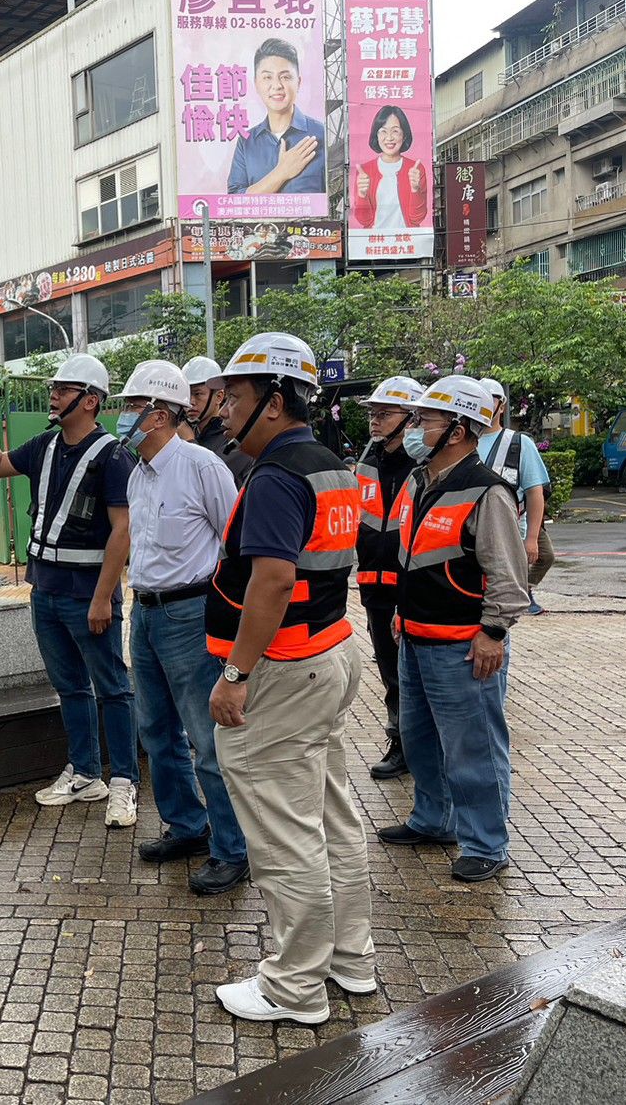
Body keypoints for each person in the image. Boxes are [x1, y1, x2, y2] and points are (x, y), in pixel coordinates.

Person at [205, 332, 374, 1025]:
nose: (220, 412)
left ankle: (293, 988)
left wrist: (235, 673)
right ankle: (349, 959)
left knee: (283, 830)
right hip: (328, 652)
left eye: (234, 398)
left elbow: (271, 582)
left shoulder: (274, 476)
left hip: (282, 668)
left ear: (273, 402)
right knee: (330, 813)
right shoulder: (329, 464)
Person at [0, 355, 139, 827]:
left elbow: (122, 532)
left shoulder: (113, 456)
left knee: (113, 689)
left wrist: (103, 598)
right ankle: (85, 774)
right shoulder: (45, 445)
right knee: (70, 687)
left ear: (90, 400)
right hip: (47, 592)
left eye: (64, 388)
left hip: (89, 596)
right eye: (54, 387)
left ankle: (124, 783)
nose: (53, 395)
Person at [378, 376, 529, 883]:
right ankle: (432, 820)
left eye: (427, 420)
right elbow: (414, 557)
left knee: (474, 748)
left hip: (464, 648)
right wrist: (402, 608)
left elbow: (509, 577)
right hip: (415, 638)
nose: (417, 428)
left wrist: (494, 632)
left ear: (460, 430)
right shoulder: (421, 481)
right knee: (419, 739)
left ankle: (486, 843)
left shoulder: (488, 493)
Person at [116, 360, 248, 896]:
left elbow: (234, 542)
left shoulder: (201, 466)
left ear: (162, 415)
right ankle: (187, 826)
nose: (124, 417)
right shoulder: (137, 475)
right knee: (155, 729)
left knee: (205, 735)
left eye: (132, 407)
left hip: (190, 615)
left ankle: (232, 848)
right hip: (144, 611)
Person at [354, 377, 425, 780]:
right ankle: (400, 742)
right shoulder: (367, 462)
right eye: (372, 414)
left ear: (410, 419)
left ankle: (422, 747)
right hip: (373, 587)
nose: (375, 422)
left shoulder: (423, 466)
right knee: (391, 672)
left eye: (384, 414)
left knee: (418, 675)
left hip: (413, 591)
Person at [479, 379, 554, 614]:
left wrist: (531, 538)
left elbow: (534, 492)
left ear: (502, 405)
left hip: (511, 527)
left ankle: (522, 593)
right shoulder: (460, 440)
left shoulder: (519, 444)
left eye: (490, 398)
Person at [227, 37, 327, 196]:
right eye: (267, 77)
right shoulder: (247, 142)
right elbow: (234, 200)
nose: (277, 86)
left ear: (298, 82)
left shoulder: (322, 134)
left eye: (285, 77)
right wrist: (281, 173)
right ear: (256, 84)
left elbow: (337, 194)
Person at [353, 106, 430, 230]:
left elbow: (417, 218)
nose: (389, 138)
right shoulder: (365, 171)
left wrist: (416, 190)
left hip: (407, 242)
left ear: (404, 135)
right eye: (383, 131)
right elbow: (364, 220)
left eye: (395, 131)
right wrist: (362, 195)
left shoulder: (415, 169)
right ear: (376, 136)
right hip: (376, 243)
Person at [179, 356, 255, 481]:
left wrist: (190, 443)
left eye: (198, 394)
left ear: (219, 397)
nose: (191, 402)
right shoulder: (187, 431)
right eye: (187, 395)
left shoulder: (233, 435)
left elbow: (212, 480)